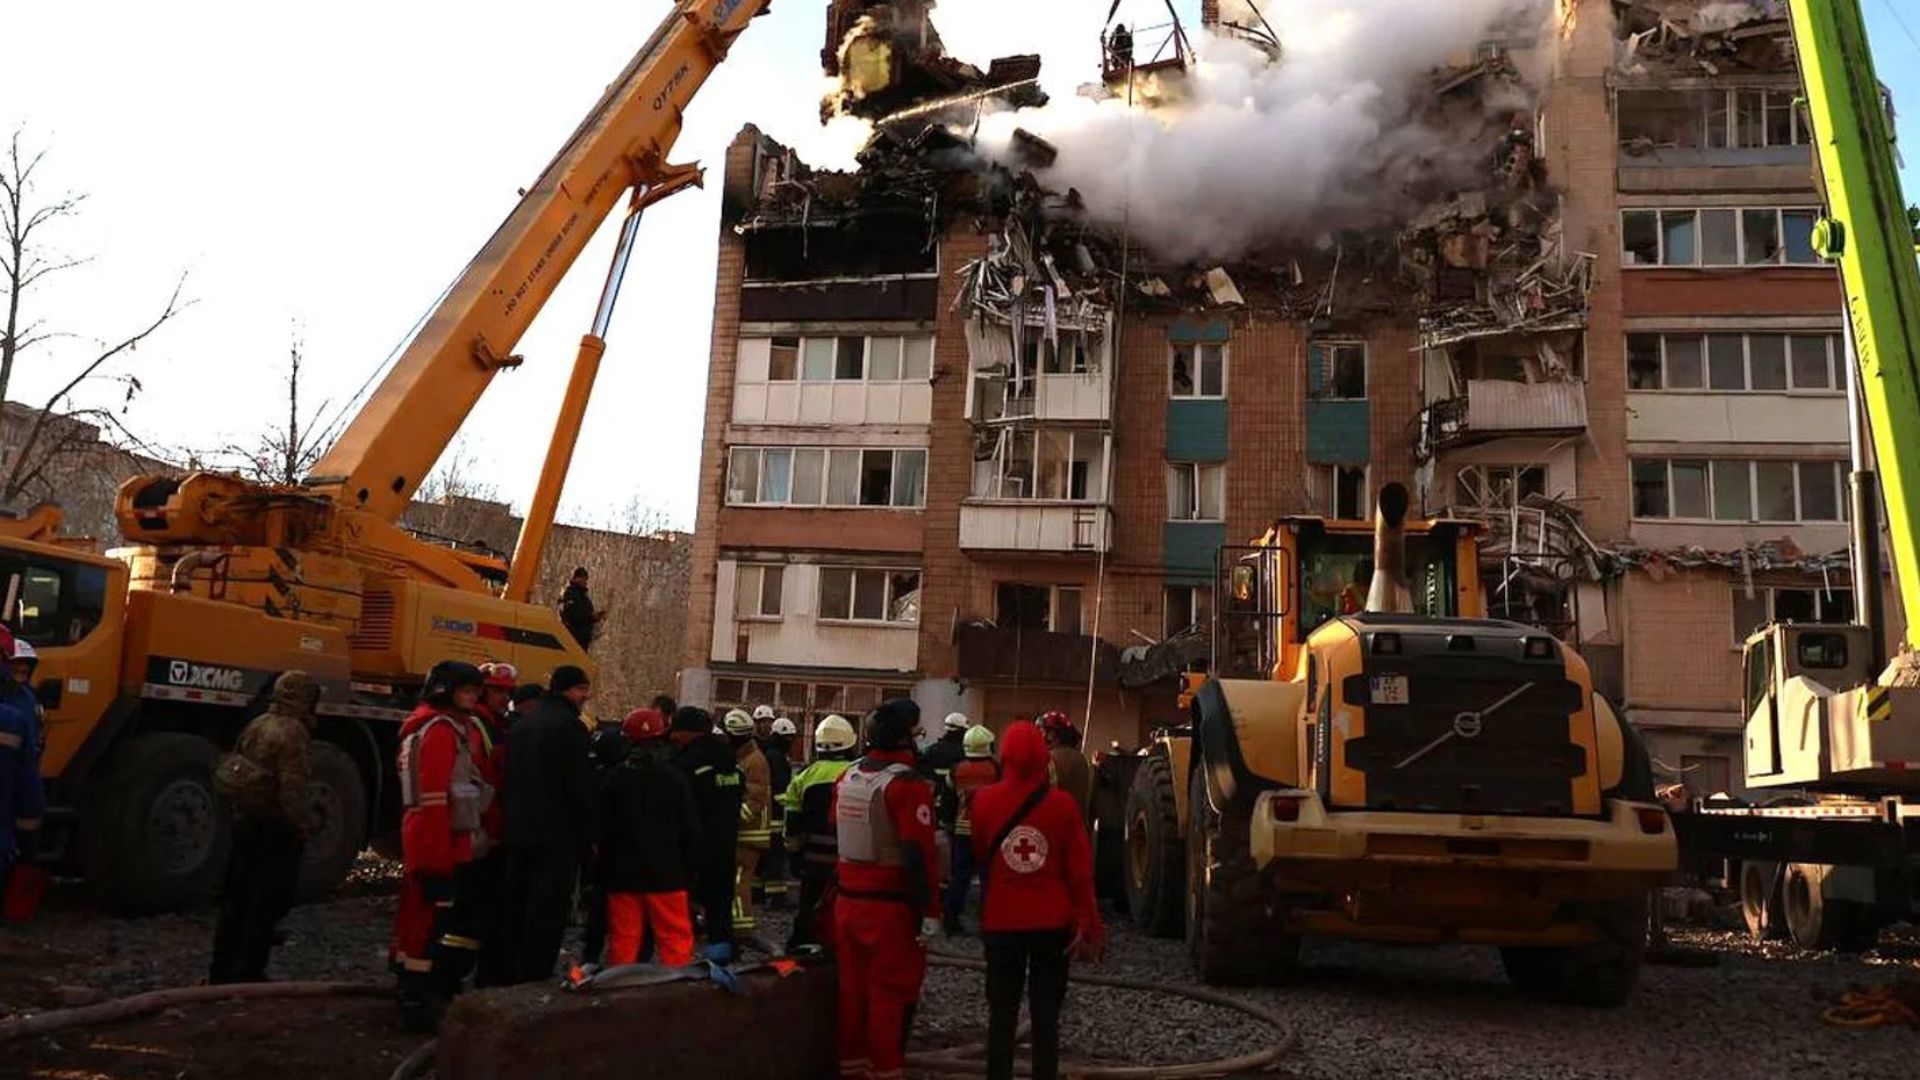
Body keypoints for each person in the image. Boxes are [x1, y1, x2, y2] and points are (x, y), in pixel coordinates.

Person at [971, 720, 1105, 1080]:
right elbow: (1079, 872)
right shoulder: (1062, 806)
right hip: (1052, 925)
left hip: (1001, 923)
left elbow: (981, 854)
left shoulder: (983, 801)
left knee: (1001, 1017)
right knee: (1046, 1020)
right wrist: (1089, 924)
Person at [833, 699, 940, 1080]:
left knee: (851, 992)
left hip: (847, 902)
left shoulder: (848, 777)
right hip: (890, 908)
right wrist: (927, 911)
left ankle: (852, 1067)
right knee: (889, 996)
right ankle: (886, 1070)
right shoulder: (906, 786)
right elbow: (917, 854)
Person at [392, 661, 494, 1031]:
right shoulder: (440, 732)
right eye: (466, 691)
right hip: (437, 842)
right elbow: (435, 800)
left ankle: (409, 987)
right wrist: (437, 860)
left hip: (436, 838)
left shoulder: (439, 727)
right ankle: (416, 999)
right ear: (445, 690)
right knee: (427, 923)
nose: (472, 698)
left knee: (418, 920)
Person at [208, 671, 319, 983]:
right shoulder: (294, 732)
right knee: (266, 902)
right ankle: (250, 971)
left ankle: (222, 969)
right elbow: (292, 788)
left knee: (236, 900)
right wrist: (301, 826)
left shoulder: (257, 724)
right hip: (275, 827)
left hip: (246, 821)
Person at [498, 665, 597, 985]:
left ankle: (506, 971)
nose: (585, 697)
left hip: (517, 831)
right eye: (582, 690)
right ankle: (534, 974)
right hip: (555, 836)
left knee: (515, 904)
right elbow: (579, 786)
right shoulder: (570, 728)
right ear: (567, 690)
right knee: (547, 909)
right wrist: (589, 835)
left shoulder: (525, 725)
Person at [598, 708, 700, 967]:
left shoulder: (615, 779)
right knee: (674, 940)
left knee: (624, 941)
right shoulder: (674, 779)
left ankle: (622, 995)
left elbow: (602, 828)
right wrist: (689, 871)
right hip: (666, 875)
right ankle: (676, 996)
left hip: (623, 875)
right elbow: (690, 828)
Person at [668, 706, 743, 952]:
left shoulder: (687, 762)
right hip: (726, 840)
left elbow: (680, 801)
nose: (672, 738)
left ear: (689, 732)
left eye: (676, 732)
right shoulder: (727, 758)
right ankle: (721, 948)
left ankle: (679, 949)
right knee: (720, 900)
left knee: (681, 897)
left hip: (695, 842)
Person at [781, 713, 856, 954]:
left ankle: (803, 943)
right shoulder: (857, 774)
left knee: (809, 902)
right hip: (849, 858)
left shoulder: (804, 777)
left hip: (813, 857)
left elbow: (792, 822)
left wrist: (793, 854)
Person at [0, 641, 47, 922]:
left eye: (25, 665)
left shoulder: (28, 699)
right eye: (15, 662)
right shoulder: (13, 714)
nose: (21, 668)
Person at [942, 724, 1000, 935]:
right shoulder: (996, 770)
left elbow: (947, 801)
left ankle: (951, 920)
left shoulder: (956, 769)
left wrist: (947, 824)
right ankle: (990, 922)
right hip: (989, 832)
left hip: (962, 830)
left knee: (960, 877)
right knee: (988, 878)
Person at [723, 708, 771, 935]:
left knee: (738, 881)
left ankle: (740, 930)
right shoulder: (745, 757)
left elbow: (755, 798)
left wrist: (730, 821)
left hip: (749, 833)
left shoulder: (754, 761)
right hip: (745, 833)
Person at [757, 716, 797, 908]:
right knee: (775, 858)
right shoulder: (777, 758)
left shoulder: (768, 754)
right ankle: (777, 897)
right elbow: (780, 790)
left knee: (763, 858)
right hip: (776, 818)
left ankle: (758, 893)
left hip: (766, 815)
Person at [1039, 711, 1093, 825]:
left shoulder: (1044, 762)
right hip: (1080, 831)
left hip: (1051, 829)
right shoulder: (1086, 762)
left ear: (1052, 735)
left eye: (1042, 731)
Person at [556, 567, 606, 651]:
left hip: (582, 641)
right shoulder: (570, 593)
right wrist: (590, 617)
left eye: (585, 579)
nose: (585, 582)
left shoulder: (584, 597)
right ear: (576, 578)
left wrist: (595, 617)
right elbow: (572, 613)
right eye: (582, 578)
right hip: (572, 638)